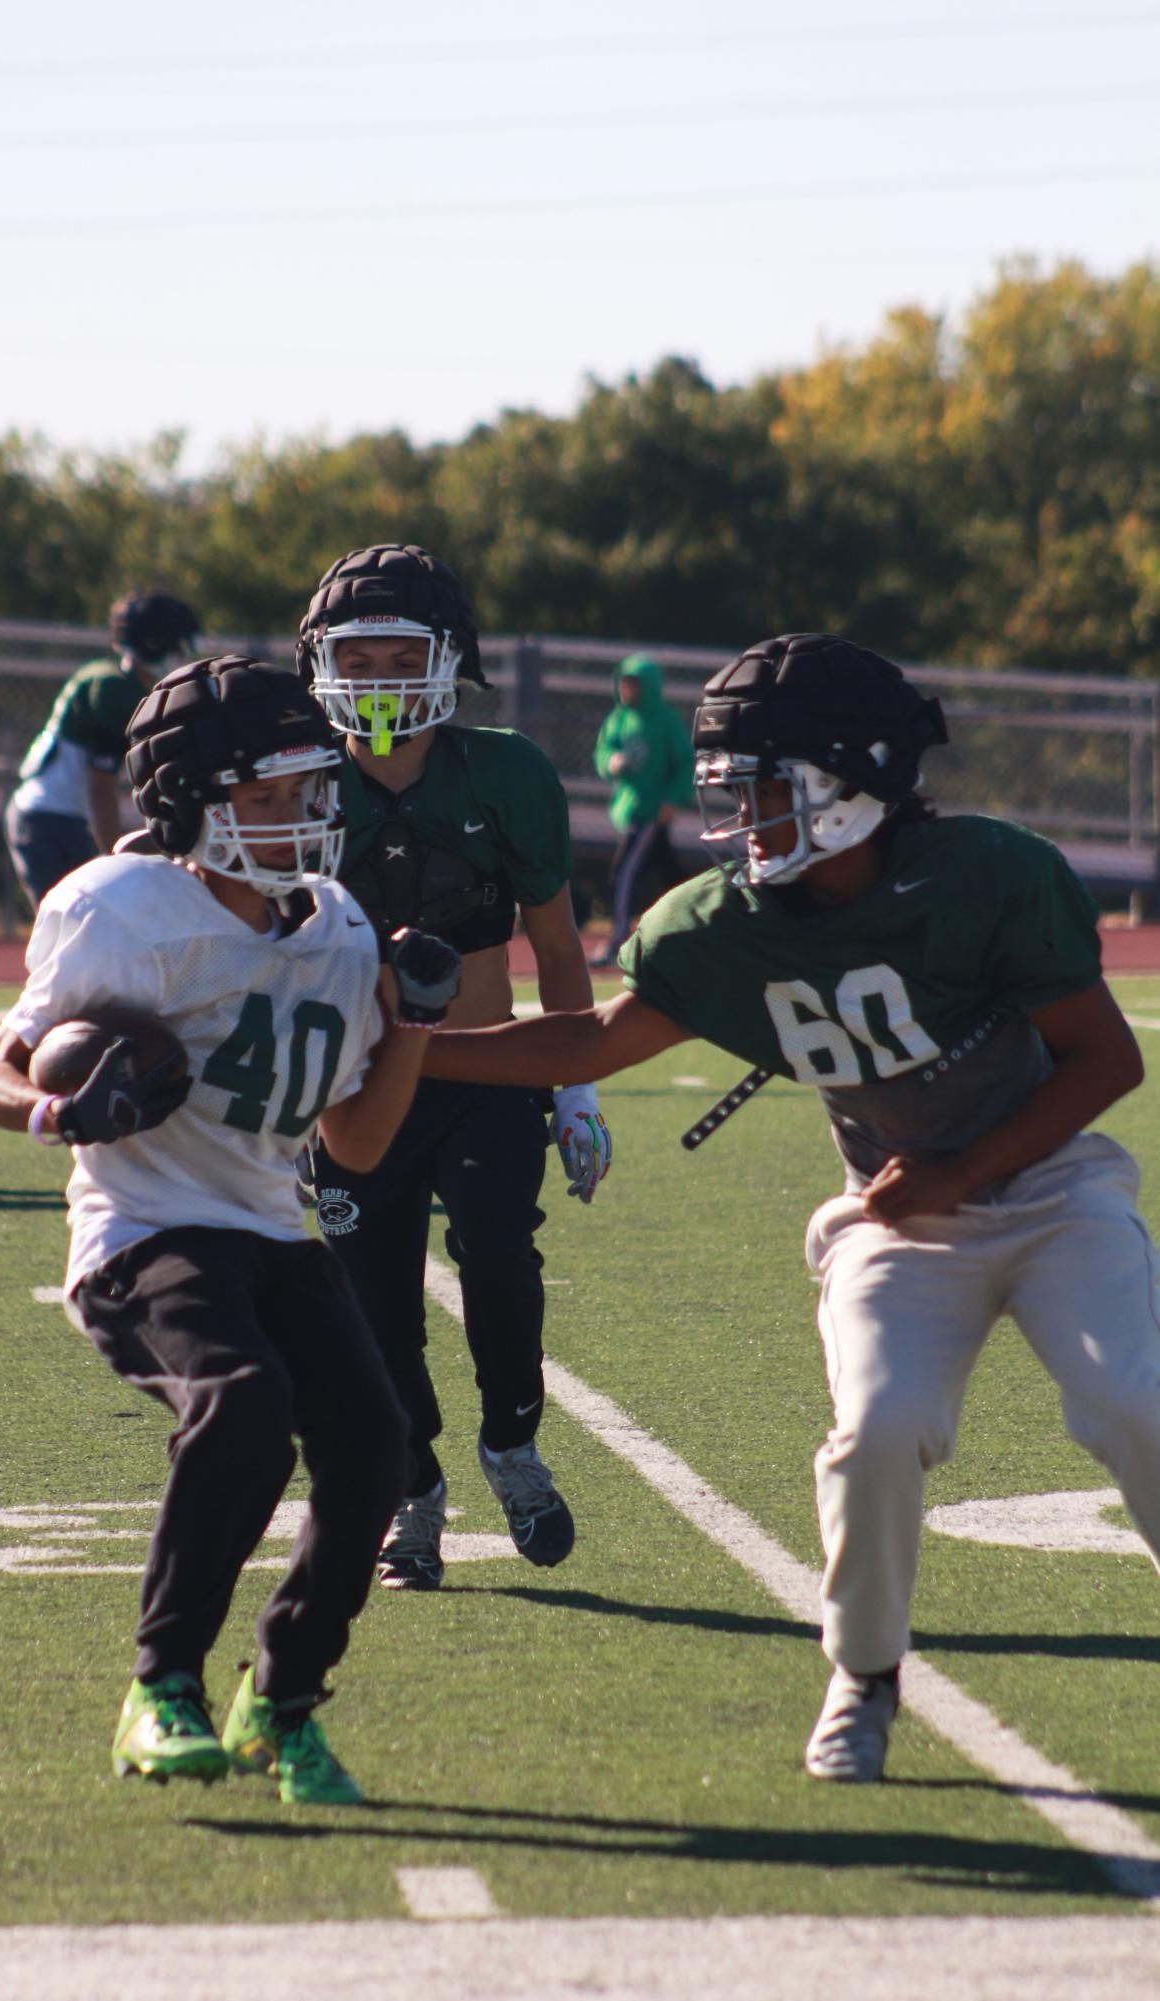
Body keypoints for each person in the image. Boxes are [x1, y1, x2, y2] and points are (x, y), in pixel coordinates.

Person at [418, 630, 1160, 1781]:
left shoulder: (985, 875)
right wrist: (407, 1053)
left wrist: (962, 1171)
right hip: (895, 1218)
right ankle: (862, 1676)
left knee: (1131, 1400)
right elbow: (592, 1040)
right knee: (872, 1434)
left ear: (855, 781)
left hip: (1049, 1192)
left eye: (764, 790)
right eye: (734, 793)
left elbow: (1103, 1061)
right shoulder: (723, 924)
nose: (739, 819)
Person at [0, 655, 462, 1800]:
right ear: (190, 801)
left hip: (271, 1230)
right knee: (245, 1401)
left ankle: (281, 1701)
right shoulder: (121, 910)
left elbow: (359, 1146)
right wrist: (56, 1108)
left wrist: (417, 1026)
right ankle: (162, 1686)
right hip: (143, 1228)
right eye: (267, 795)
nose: (301, 818)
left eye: (308, 789)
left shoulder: (336, 929)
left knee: (376, 1449)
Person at [296, 542, 611, 1591]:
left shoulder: (506, 773)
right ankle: (413, 1488)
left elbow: (560, 950)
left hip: (483, 1071)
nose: (379, 682)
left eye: (400, 659)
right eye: (360, 659)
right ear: (321, 664)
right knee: (368, 1292)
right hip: (348, 1080)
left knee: (498, 1251)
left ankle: (511, 1443)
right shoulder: (291, 778)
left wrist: (575, 1086)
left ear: (445, 661)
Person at [4, 591, 199, 909]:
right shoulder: (114, 691)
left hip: (53, 816)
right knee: (80, 925)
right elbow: (101, 785)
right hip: (52, 820)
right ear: (158, 642)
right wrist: (113, 855)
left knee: (86, 923)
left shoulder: (104, 675)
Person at [591, 652, 693, 965]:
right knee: (670, 877)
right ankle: (692, 929)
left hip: (651, 813)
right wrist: (611, 762)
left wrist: (674, 799)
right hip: (631, 809)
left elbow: (685, 763)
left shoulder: (665, 721)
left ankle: (619, 940)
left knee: (625, 874)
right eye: (624, 683)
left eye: (634, 684)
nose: (627, 690)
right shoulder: (619, 718)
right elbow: (603, 751)